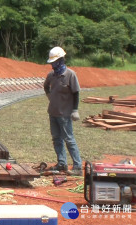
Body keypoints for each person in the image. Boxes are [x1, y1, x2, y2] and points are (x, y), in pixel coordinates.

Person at [43, 46, 82, 176]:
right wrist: (50, 96)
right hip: (53, 113)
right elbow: (45, 86)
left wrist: (75, 110)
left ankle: (77, 166)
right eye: (51, 62)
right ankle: (62, 163)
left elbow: (76, 93)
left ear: (61, 60)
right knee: (56, 139)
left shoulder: (70, 74)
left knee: (69, 139)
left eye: (54, 62)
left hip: (65, 115)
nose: (52, 65)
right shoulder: (51, 75)